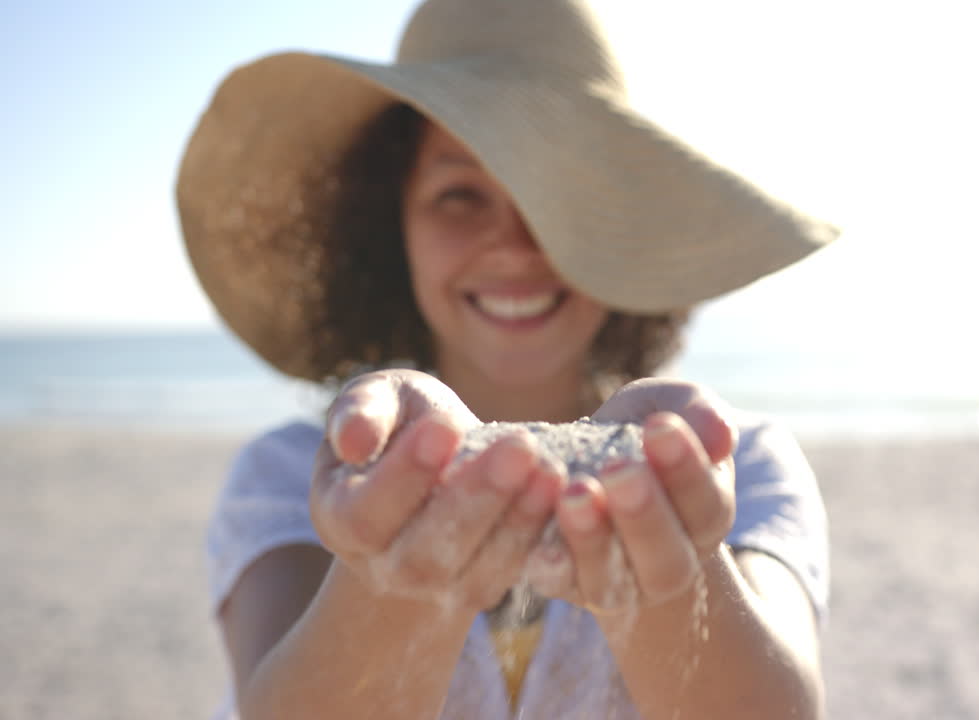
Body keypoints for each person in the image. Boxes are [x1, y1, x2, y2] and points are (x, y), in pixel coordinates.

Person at [177, 0, 837, 718]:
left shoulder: (738, 467)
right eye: (459, 194)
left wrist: (674, 577)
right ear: (389, 224)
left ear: (624, 228)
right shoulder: (295, 480)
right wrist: (389, 582)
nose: (513, 242)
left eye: (556, 195)